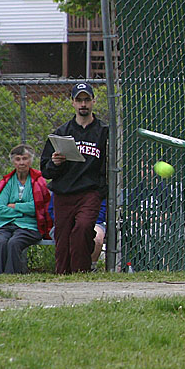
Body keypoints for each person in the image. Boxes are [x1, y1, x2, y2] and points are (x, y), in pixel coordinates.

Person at [41, 82, 108, 274]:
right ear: (72, 103)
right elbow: (46, 170)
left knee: (83, 228)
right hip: (64, 193)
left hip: (89, 192)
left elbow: (108, 164)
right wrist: (55, 163)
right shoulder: (61, 133)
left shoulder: (103, 131)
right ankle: (63, 277)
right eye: (79, 100)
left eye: (87, 100)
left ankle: (81, 273)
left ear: (94, 101)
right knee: (62, 240)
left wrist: (101, 190)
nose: (83, 104)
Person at [0, 144, 53, 273]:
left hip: (29, 226)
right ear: (13, 161)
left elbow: (37, 207)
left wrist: (15, 206)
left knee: (14, 242)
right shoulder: (7, 182)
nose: (21, 163)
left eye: (25, 158)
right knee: (1, 242)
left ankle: (10, 276)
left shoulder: (38, 181)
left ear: (31, 160)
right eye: (18, 159)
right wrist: (22, 212)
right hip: (4, 225)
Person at [48, 195, 106, 270]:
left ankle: (91, 267)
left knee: (95, 237)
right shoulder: (62, 189)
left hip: (95, 222)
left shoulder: (95, 189)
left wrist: (88, 219)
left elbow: (103, 210)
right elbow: (52, 211)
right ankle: (66, 269)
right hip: (64, 222)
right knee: (68, 235)